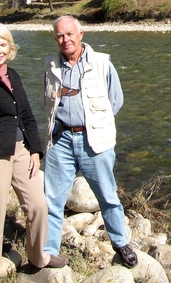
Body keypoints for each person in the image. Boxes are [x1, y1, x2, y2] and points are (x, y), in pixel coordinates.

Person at [0, 24, 67, 282]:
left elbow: (27, 116)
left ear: (10, 48)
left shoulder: (14, 76)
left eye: (3, 45)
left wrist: (35, 152)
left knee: (39, 206)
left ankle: (37, 257)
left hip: (21, 151)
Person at [43, 15, 137, 268]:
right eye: (60, 36)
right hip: (60, 140)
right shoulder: (50, 65)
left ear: (80, 34)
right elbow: (48, 103)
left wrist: (97, 124)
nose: (65, 40)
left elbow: (115, 100)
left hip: (94, 140)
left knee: (107, 195)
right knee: (51, 199)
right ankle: (48, 250)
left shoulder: (102, 63)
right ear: (56, 39)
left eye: (69, 34)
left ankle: (121, 243)